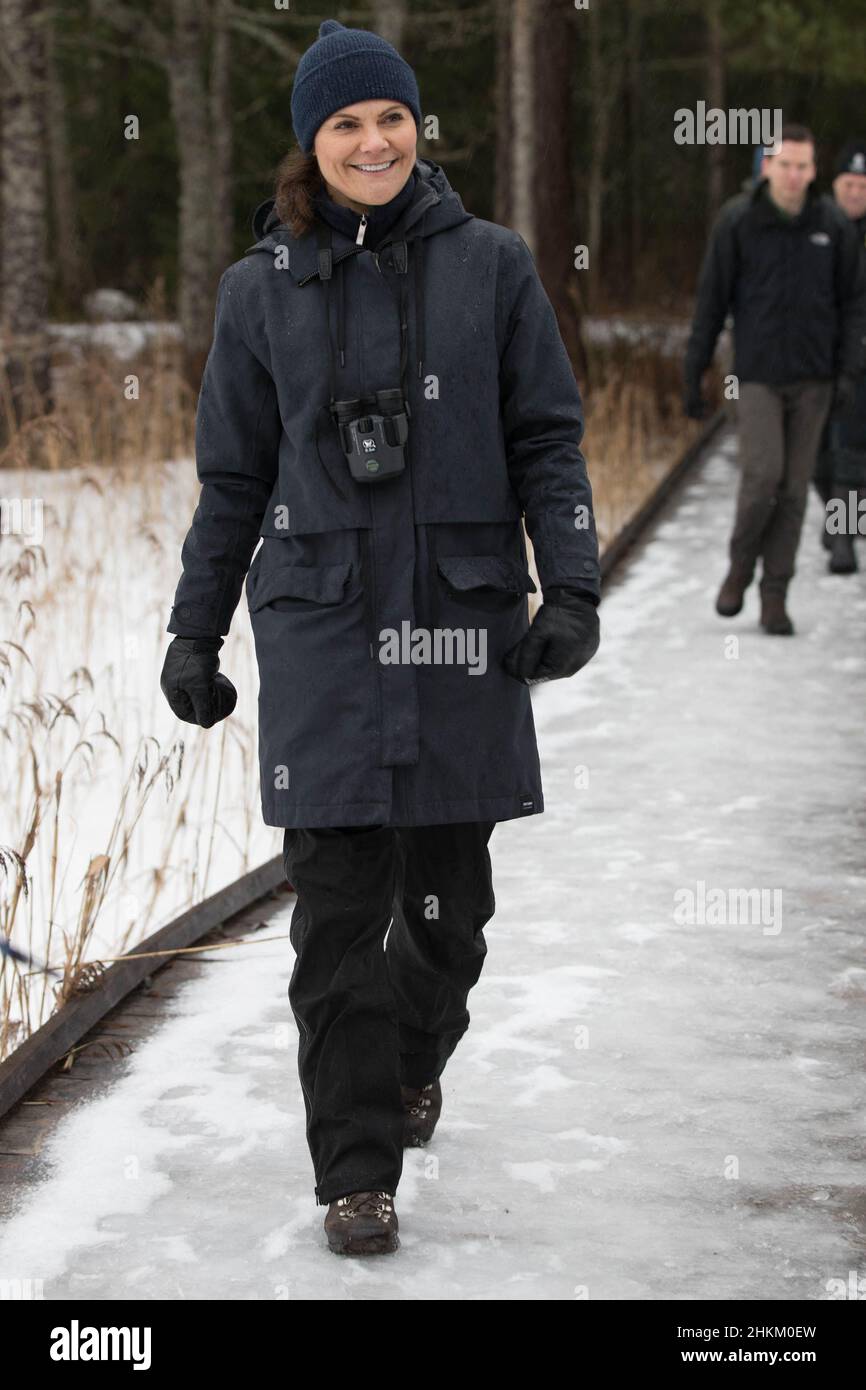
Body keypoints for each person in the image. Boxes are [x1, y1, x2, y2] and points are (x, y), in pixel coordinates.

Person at [159, 18, 601, 1256]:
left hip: (460, 630)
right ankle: (354, 1169)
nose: (372, 140)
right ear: (313, 142)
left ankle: (410, 1058)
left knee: (451, 911)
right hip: (322, 638)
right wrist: (193, 635)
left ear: (418, 129)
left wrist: (570, 586)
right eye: (346, 122)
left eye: (389, 118)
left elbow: (546, 441)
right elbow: (232, 483)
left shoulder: (494, 267)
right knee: (337, 916)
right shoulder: (258, 293)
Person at [684, 123, 866, 634]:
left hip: (816, 379)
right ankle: (740, 567)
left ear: (814, 171)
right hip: (756, 375)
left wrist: (849, 369)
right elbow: (711, 302)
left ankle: (774, 593)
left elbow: (854, 303)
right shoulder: (739, 221)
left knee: (793, 489)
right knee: (763, 476)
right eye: (784, 165)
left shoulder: (833, 225)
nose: (793, 175)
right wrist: (693, 371)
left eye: (803, 167)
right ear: (768, 166)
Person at [812, 139, 866, 574]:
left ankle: (844, 536)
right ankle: (839, 519)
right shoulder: (817, 225)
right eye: (849, 183)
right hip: (811, 357)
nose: (855, 192)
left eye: (863, 185)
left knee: (848, 447)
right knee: (814, 454)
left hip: (857, 357)